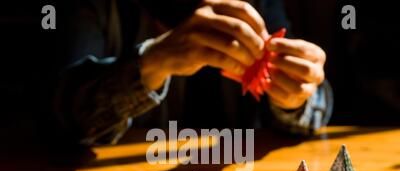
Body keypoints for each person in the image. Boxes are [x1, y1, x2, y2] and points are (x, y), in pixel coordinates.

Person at [51, 0, 333, 145]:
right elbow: (59, 117)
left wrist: (297, 97)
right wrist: (152, 61)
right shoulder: (97, 7)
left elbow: (313, 101)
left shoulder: (256, 5)